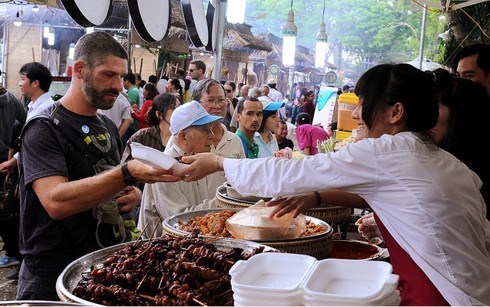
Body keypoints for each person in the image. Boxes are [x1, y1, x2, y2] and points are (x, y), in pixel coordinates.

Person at [175, 63, 490, 306]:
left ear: (395, 112)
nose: (355, 114)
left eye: (363, 103)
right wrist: (316, 196)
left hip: (443, 296)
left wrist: (219, 163)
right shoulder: (447, 164)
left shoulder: (388, 152)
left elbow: (291, 173)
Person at [16, 31, 179, 301]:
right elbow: (55, 201)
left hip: (100, 267)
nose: (118, 85)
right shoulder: (43, 128)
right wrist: (126, 173)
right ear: (80, 70)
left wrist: (131, 194)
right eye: (108, 75)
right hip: (50, 275)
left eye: (120, 76)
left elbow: (105, 183)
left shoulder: (105, 125)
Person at [138, 101, 222, 237]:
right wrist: (223, 202)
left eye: (211, 129)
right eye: (205, 129)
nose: (212, 135)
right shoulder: (164, 166)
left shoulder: (198, 158)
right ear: (183, 137)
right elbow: (179, 221)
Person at [123, 72, 141, 143]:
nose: (123, 83)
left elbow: (131, 108)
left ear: (127, 81)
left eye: (123, 81)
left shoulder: (133, 92)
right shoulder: (133, 90)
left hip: (131, 125)